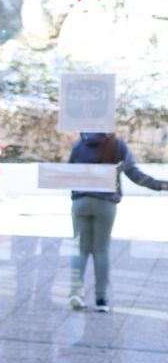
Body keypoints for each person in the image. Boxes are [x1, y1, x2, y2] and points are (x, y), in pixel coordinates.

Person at [66, 131, 167, 312]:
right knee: (101, 250)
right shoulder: (117, 144)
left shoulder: (79, 145)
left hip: (80, 201)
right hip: (106, 202)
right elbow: (134, 173)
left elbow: (69, 173)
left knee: (80, 249)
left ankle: (75, 293)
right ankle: (101, 299)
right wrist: (160, 185)